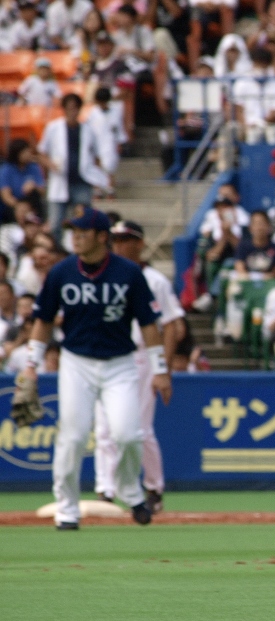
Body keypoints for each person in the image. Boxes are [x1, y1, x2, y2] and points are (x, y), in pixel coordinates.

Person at [15, 208, 170, 530]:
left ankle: (129, 489)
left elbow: (149, 324)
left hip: (121, 363)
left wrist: (160, 369)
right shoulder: (62, 272)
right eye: (73, 231)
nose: (76, 237)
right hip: (76, 363)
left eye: (83, 232)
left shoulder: (128, 273)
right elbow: (43, 322)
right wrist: (31, 365)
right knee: (72, 438)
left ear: (103, 237)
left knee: (129, 434)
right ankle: (67, 509)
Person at [94, 220, 185, 514]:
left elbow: (173, 326)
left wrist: (164, 368)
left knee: (140, 428)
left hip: (144, 357)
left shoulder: (154, 279)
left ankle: (153, 487)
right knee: (105, 428)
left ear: (140, 243)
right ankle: (105, 491)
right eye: (116, 239)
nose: (119, 244)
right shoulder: (103, 275)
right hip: (109, 356)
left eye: (126, 239)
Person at [36, 94, 109, 235]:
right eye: (69, 108)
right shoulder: (53, 128)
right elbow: (41, 152)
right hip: (60, 178)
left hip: (81, 181)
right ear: (64, 109)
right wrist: (50, 165)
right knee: (56, 223)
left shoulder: (88, 130)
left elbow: (96, 155)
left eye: (75, 108)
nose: (72, 112)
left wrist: (97, 177)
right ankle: (59, 254)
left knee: (83, 222)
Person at [0, 140, 45, 222]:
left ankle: (40, 223)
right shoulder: (6, 170)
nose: (28, 155)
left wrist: (34, 186)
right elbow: (6, 196)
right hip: (14, 205)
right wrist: (19, 205)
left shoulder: (34, 167)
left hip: (32, 203)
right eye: (25, 152)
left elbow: (42, 190)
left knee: (35, 195)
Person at [234, 211, 275, 276]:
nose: (259, 228)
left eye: (262, 223)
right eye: (256, 224)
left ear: (269, 227)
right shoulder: (243, 247)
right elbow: (240, 268)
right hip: (248, 281)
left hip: (268, 282)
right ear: (250, 228)